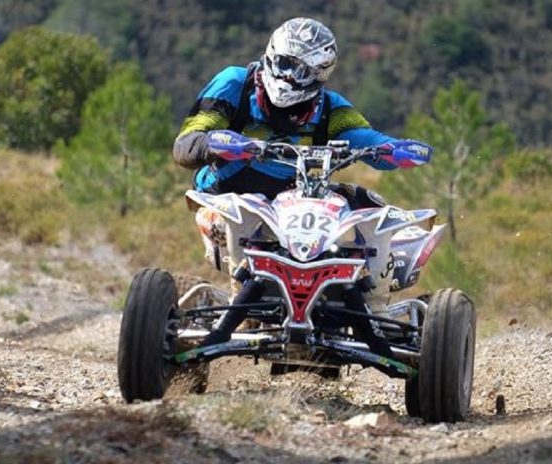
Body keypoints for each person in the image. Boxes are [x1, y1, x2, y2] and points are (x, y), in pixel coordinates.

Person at [172, 17, 432, 346]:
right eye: (284, 64)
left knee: (371, 207)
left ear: (320, 74)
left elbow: (366, 140)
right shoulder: (235, 83)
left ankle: (375, 312)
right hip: (225, 197)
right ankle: (242, 313)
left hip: (293, 203)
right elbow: (185, 144)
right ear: (270, 55)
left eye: (303, 71)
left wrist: (393, 150)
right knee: (242, 212)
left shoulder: (330, 108)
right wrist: (213, 143)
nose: (289, 77)